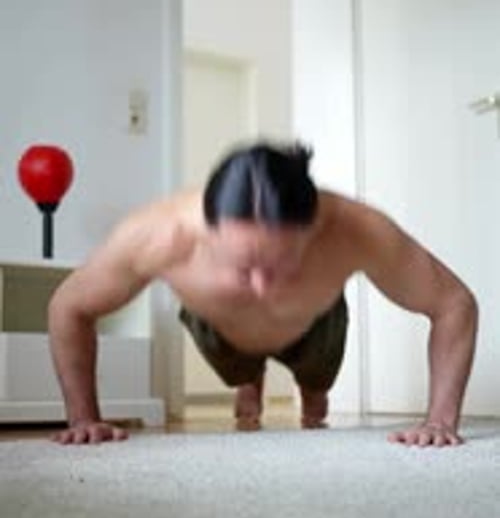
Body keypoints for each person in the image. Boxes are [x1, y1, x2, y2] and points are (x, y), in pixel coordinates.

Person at [48, 141, 478, 448]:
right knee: (238, 363)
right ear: (207, 227)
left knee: (316, 403)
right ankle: (247, 379)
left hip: (313, 322)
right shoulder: (158, 235)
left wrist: (439, 421)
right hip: (218, 323)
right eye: (242, 267)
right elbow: (70, 306)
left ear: (315, 229)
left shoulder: (356, 229)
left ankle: (308, 387)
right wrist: (84, 418)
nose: (261, 287)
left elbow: (454, 304)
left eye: (280, 266)